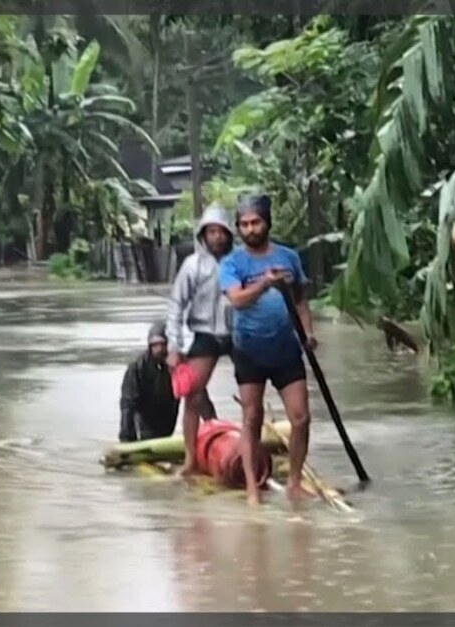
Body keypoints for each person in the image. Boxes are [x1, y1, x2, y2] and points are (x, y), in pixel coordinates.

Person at [218, 194, 317, 505]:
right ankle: (251, 489)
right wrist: (265, 284)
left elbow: (300, 300)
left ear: (267, 223)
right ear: (238, 228)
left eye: (256, 222)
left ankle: (294, 483)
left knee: (301, 418)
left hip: (286, 348)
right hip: (248, 350)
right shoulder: (232, 263)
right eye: (244, 224)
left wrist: (308, 333)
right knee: (252, 418)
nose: (250, 229)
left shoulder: (289, 257)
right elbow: (236, 300)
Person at [164, 204, 236, 477]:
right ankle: (191, 459)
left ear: (229, 234)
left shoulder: (237, 262)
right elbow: (176, 305)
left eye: (221, 231)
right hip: (205, 333)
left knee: (253, 391)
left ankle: (246, 444)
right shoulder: (192, 265)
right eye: (211, 232)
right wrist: (174, 346)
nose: (217, 237)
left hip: (236, 332)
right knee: (193, 395)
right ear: (203, 235)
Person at [118, 321, 180, 442]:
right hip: (146, 418)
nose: (159, 349)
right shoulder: (137, 367)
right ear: (149, 346)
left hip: (168, 418)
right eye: (155, 345)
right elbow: (128, 403)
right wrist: (126, 436)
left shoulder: (177, 366)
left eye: (163, 344)